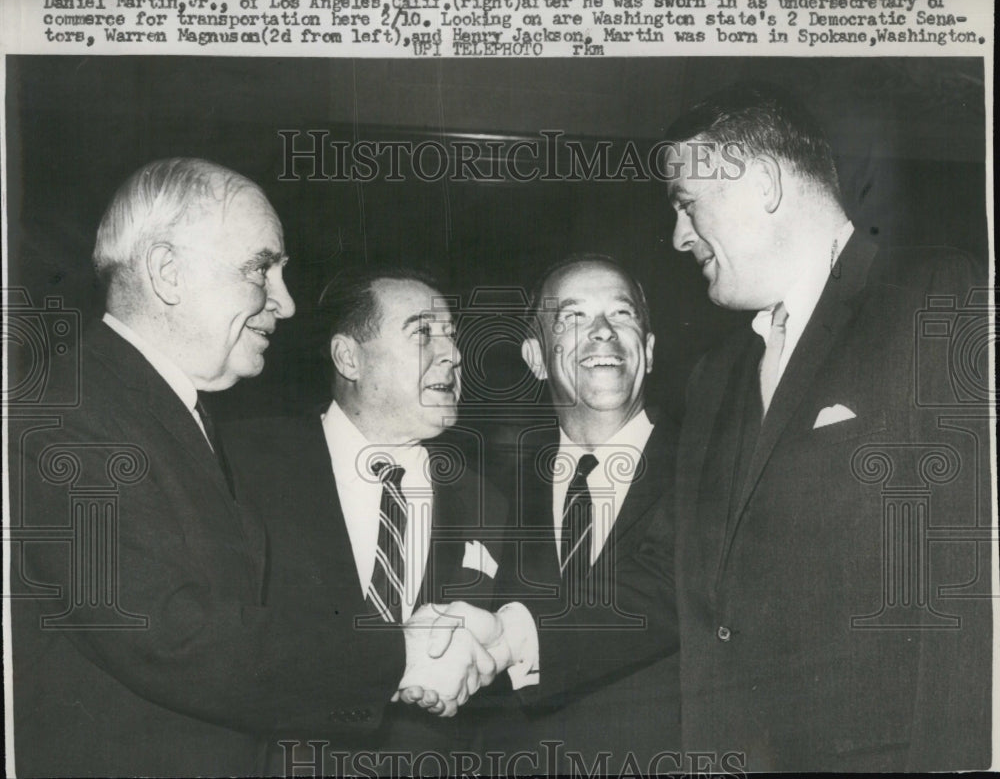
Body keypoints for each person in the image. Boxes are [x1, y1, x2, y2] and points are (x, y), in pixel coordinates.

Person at [408, 82, 993, 773]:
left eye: (687, 203)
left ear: (765, 183)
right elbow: (667, 577)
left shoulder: (938, 298)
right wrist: (508, 636)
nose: (681, 235)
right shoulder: (719, 375)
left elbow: (970, 580)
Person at [9, 160, 487, 777]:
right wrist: (399, 656)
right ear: (167, 272)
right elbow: (173, 635)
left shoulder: (168, 415)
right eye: (261, 269)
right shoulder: (66, 415)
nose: (284, 304)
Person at [224, 266, 509, 774]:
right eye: (424, 333)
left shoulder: (485, 499)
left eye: (452, 336)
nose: (453, 354)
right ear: (349, 357)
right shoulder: (244, 463)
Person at [481, 254, 680, 769]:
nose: (602, 333)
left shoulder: (711, 467)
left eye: (622, 314)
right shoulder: (489, 495)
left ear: (650, 351)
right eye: (571, 318)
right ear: (536, 357)